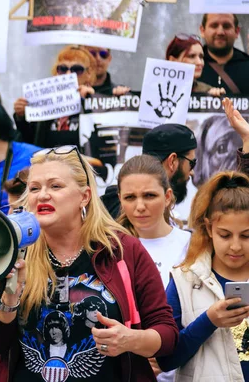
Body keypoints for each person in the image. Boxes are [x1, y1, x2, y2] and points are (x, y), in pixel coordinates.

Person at [0, 146, 178, 381]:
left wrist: (130, 340)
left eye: (55, 186)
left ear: (84, 196)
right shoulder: (14, 251)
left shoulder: (122, 249)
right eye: (34, 188)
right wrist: (9, 299)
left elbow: (167, 335)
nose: (43, 195)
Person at [156, 171, 249, 380]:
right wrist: (208, 320)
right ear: (208, 228)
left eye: (246, 235)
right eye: (224, 235)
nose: (235, 246)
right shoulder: (184, 281)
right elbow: (165, 359)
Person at [117, 155, 190, 288]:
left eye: (149, 195)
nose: (140, 207)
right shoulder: (111, 249)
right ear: (120, 200)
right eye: (130, 197)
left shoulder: (190, 245)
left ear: (167, 197)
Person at [101, 123, 198, 219]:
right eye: (191, 163)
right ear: (172, 161)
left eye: (149, 196)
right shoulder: (136, 216)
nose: (192, 172)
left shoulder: (109, 208)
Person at [13, 46, 97, 148]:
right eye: (62, 69)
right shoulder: (45, 103)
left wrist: (93, 102)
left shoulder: (96, 101)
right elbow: (29, 142)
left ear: (88, 73)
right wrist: (21, 117)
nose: (68, 74)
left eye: (77, 70)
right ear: (56, 73)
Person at [197, 13, 249, 95]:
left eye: (226, 26)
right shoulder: (191, 67)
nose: (220, 32)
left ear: (237, 31)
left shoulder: (247, 65)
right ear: (202, 30)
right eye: (214, 26)